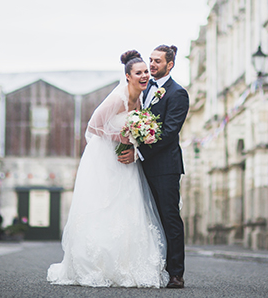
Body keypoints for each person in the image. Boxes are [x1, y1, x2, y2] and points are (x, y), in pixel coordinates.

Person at [47, 50, 169, 288]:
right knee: (105, 205)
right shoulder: (118, 98)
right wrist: (121, 137)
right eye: (139, 73)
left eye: (146, 71)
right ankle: (98, 263)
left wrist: (137, 138)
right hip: (105, 157)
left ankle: (127, 263)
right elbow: (93, 126)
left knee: (129, 205)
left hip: (126, 161)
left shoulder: (143, 98)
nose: (144, 75)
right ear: (127, 76)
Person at [117, 44, 189, 289]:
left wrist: (138, 152)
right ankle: (150, 268)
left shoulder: (177, 93)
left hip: (165, 167)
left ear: (170, 64)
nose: (152, 65)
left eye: (157, 61)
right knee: (147, 218)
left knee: (169, 218)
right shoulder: (145, 88)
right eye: (150, 60)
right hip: (142, 167)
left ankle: (176, 273)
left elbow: (169, 133)